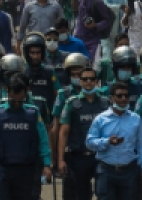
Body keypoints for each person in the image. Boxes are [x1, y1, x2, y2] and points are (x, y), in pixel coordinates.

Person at [0, 75, 52, 200]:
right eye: (13, 100)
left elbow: (43, 141)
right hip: (1, 169)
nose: (17, 103)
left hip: (25, 169)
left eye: (20, 100)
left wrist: (47, 165)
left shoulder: (33, 113)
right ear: (7, 93)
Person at [57, 67, 110, 200]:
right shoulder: (72, 104)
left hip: (101, 156)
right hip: (79, 157)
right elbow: (63, 132)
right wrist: (60, 160)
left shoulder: (105, 103)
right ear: (80, 82)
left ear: (97, 82)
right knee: (82, 194)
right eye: (85, 79)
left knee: (103, 192)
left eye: (92, 79)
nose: (88, 82)